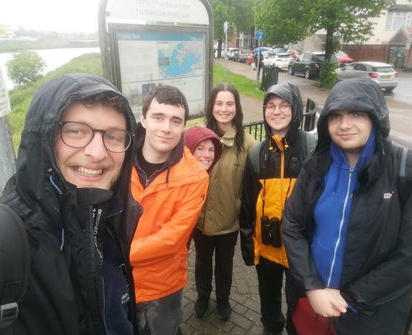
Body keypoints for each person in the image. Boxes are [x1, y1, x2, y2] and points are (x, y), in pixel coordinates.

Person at [0, 73, 142, 334]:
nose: (97, 152)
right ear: (44, 138)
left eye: (114, 137)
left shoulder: (110, 218)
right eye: (76, 131)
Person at [282, 77, 412, 335]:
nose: (344, 125)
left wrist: (350, 298)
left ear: (376, 118)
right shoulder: (315, 167)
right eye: (335, 116)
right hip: (310, 306)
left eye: (357, 114)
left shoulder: (410, 172)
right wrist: (312, 287)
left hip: (368, 318)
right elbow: (293, 225)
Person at [129, 85, 209, 335]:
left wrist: (114, 253)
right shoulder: (117, 161)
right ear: (143, 119)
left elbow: (172, 238)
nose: (166, 128)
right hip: (118, 280)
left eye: (176, 120)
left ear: (183, 124)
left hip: (163, 286)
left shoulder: (195, 177)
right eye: (158, 117)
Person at [239, 83, 315, 335]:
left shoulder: (312, 148)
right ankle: (272, 328)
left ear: (296, 110)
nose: (277, 111)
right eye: (270, 106)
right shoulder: (257, 153)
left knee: (300, 304)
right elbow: (248, 203)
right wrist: (249, 245)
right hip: (268, 244)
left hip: (302, 250)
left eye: (284, 105)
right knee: (268, 297)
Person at [193, 83, 257, 320]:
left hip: (229, 220)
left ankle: (222, 299)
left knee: (224, 264)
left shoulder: (248, 144)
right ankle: (201, 295)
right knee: (201, 261)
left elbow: (252, 186)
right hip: (199, 218)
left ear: (236, 107)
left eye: (229, 103)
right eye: (219, 103)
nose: (224, 108)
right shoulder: (199, 138)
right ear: (212, 107)